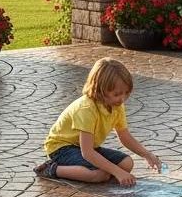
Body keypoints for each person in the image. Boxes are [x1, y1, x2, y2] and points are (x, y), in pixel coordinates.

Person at [35, 57, 161, 186]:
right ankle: (52, 168)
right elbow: (87, 152)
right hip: (61, 148)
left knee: (127, 163)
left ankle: (90, 170)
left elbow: (124, 136)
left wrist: (147, 155)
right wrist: (117, 172)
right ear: (100, 89)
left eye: (126, 93)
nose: (122, 98)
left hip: (86, 147)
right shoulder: (86, 108)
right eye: (117, 94)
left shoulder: (116, 106)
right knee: (99, 174)